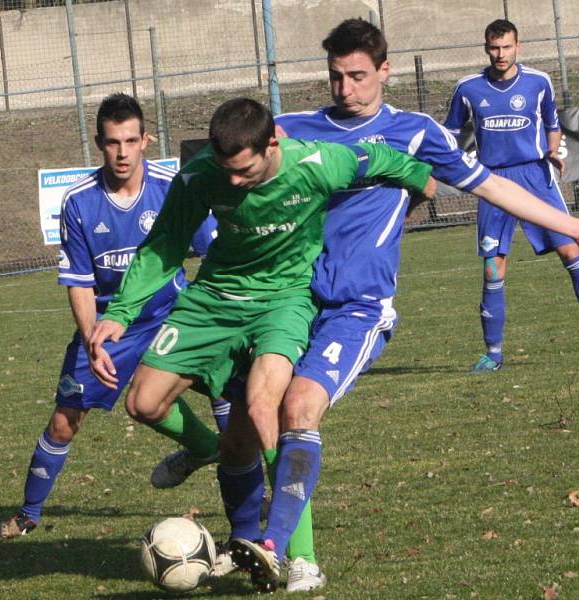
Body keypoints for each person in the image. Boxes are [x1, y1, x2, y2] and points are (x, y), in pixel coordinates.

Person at [224, 19, 579, 592]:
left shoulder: (413, 132)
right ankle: (241, 542)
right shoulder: (292, 131)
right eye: (336, 77)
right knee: (239, 429)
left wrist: (571, 224)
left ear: (384, 71)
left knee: (299, 407)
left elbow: (491, 185)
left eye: (358, 75)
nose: (346, 88)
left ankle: (281, 550)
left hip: (357, 305)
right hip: (283, 300)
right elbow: (231, 180)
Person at [86, 96, 437, 578]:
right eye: (225, 170)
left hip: (284, 301)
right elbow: (165, 242)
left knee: (264, 409)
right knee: (143, 403)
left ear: (273, 144)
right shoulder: (202, 175)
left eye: (244, 170)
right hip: (213, 299)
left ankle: (300, 558)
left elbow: (379, 158)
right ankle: (206, 450)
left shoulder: (317, 163)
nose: (233, 181)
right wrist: (121, 313)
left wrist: (423, 181)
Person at [0, 93, 220, 539]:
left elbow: (215, 251)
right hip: (109, 324)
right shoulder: (79, 202)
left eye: (131, 141)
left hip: (173, 312)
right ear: (99, 143)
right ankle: (28, 514)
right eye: (113, 142)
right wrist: (93, 341)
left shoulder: (174, 186)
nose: (122, 152)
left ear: (145, 141)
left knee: (232, 394)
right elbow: (79, 281)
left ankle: (256, 506)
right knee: (64, 420)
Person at [444, 18, 579, 373]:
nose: (500, 54)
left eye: (506, 47)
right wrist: (461, 165)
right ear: (486, 47)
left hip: (534, 175)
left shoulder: (537, 82)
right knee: (493, 267)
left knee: (571, 249)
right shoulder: (468, 88)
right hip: (492, 181)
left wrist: (554, 152)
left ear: (517, 46)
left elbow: (552, 124)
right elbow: (449, 134)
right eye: (494, 48)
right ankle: (493, 353)